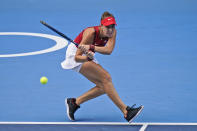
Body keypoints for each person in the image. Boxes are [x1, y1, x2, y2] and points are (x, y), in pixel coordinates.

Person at [61, 11, 144, 123]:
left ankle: (74, 103)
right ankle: (126, 111)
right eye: (107, 27)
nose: (110, 29)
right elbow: (77, 58)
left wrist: (91, 48)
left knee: (104, 86)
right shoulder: (90, 33)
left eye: (112, 26)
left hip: (88, 51)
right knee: (106, 78)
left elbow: (108, 50)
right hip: (75, 54)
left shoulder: (113, 32)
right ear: (101, 26)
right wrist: (88, 58)